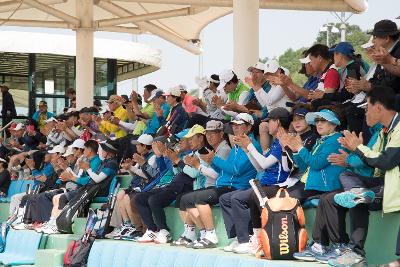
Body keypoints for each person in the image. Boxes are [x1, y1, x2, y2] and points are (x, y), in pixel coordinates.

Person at [327, 85, 400, 266]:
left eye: (367, 108)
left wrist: (358, 148)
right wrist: (356, 152)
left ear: (378, 107)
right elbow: (371, 160)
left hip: (394, 186)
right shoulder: (385, 131)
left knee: (357, 196)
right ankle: (356, 254)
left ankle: (358, 194)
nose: (365, 113)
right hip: (384, 183)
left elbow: (385, 161)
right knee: (352, 186)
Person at [225, 107, 292, 254]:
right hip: (266, 183)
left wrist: (249, 145)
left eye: (270, 122)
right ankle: (256, 239)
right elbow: (260, 168)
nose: (267, 125)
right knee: (241, 195)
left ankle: (253, 239)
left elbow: (264, 164)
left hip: (278, 186)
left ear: (278, 122)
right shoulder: (277, 141)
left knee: (248, 196)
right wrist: (247, 150)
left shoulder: (283, 140)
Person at [193, 113, 261, 250]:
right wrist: (211, 161)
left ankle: (245, 240)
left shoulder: (251, 144)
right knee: (224, 198)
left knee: (233, 198)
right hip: (232, 185)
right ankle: (236, 238)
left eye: (239, 125)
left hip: (241, 185)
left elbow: (236, 169)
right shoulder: (237, 145)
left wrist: (215, 160)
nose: (235, 128)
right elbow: (225, 170)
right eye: (233, 125)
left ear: (248, 128)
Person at [111, 134, 160, 240]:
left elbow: (148, 175)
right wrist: (129, 168)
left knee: (128, 198)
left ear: (145, 146)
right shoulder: (141, 157)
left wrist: (132, 167)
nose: (136, 147)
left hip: (146, 187)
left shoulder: (152, 157)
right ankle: (128, 225)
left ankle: (137, 227)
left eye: (138, 145)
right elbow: (136, 174)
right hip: (137, 186)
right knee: (120, 195)